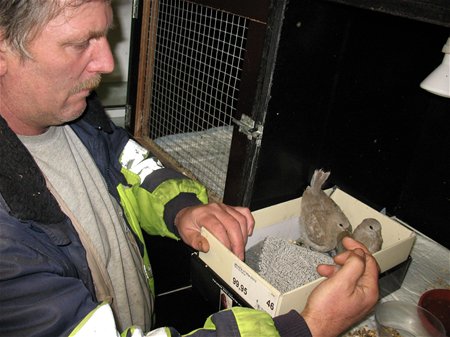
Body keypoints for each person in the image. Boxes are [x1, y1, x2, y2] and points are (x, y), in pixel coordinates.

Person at [0, 1, 380, 336]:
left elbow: (124, 159)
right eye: (80, 43)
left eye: (103, 36)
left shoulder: (73, 115)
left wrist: (181, 207)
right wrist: (305, 327)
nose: (108, 63)